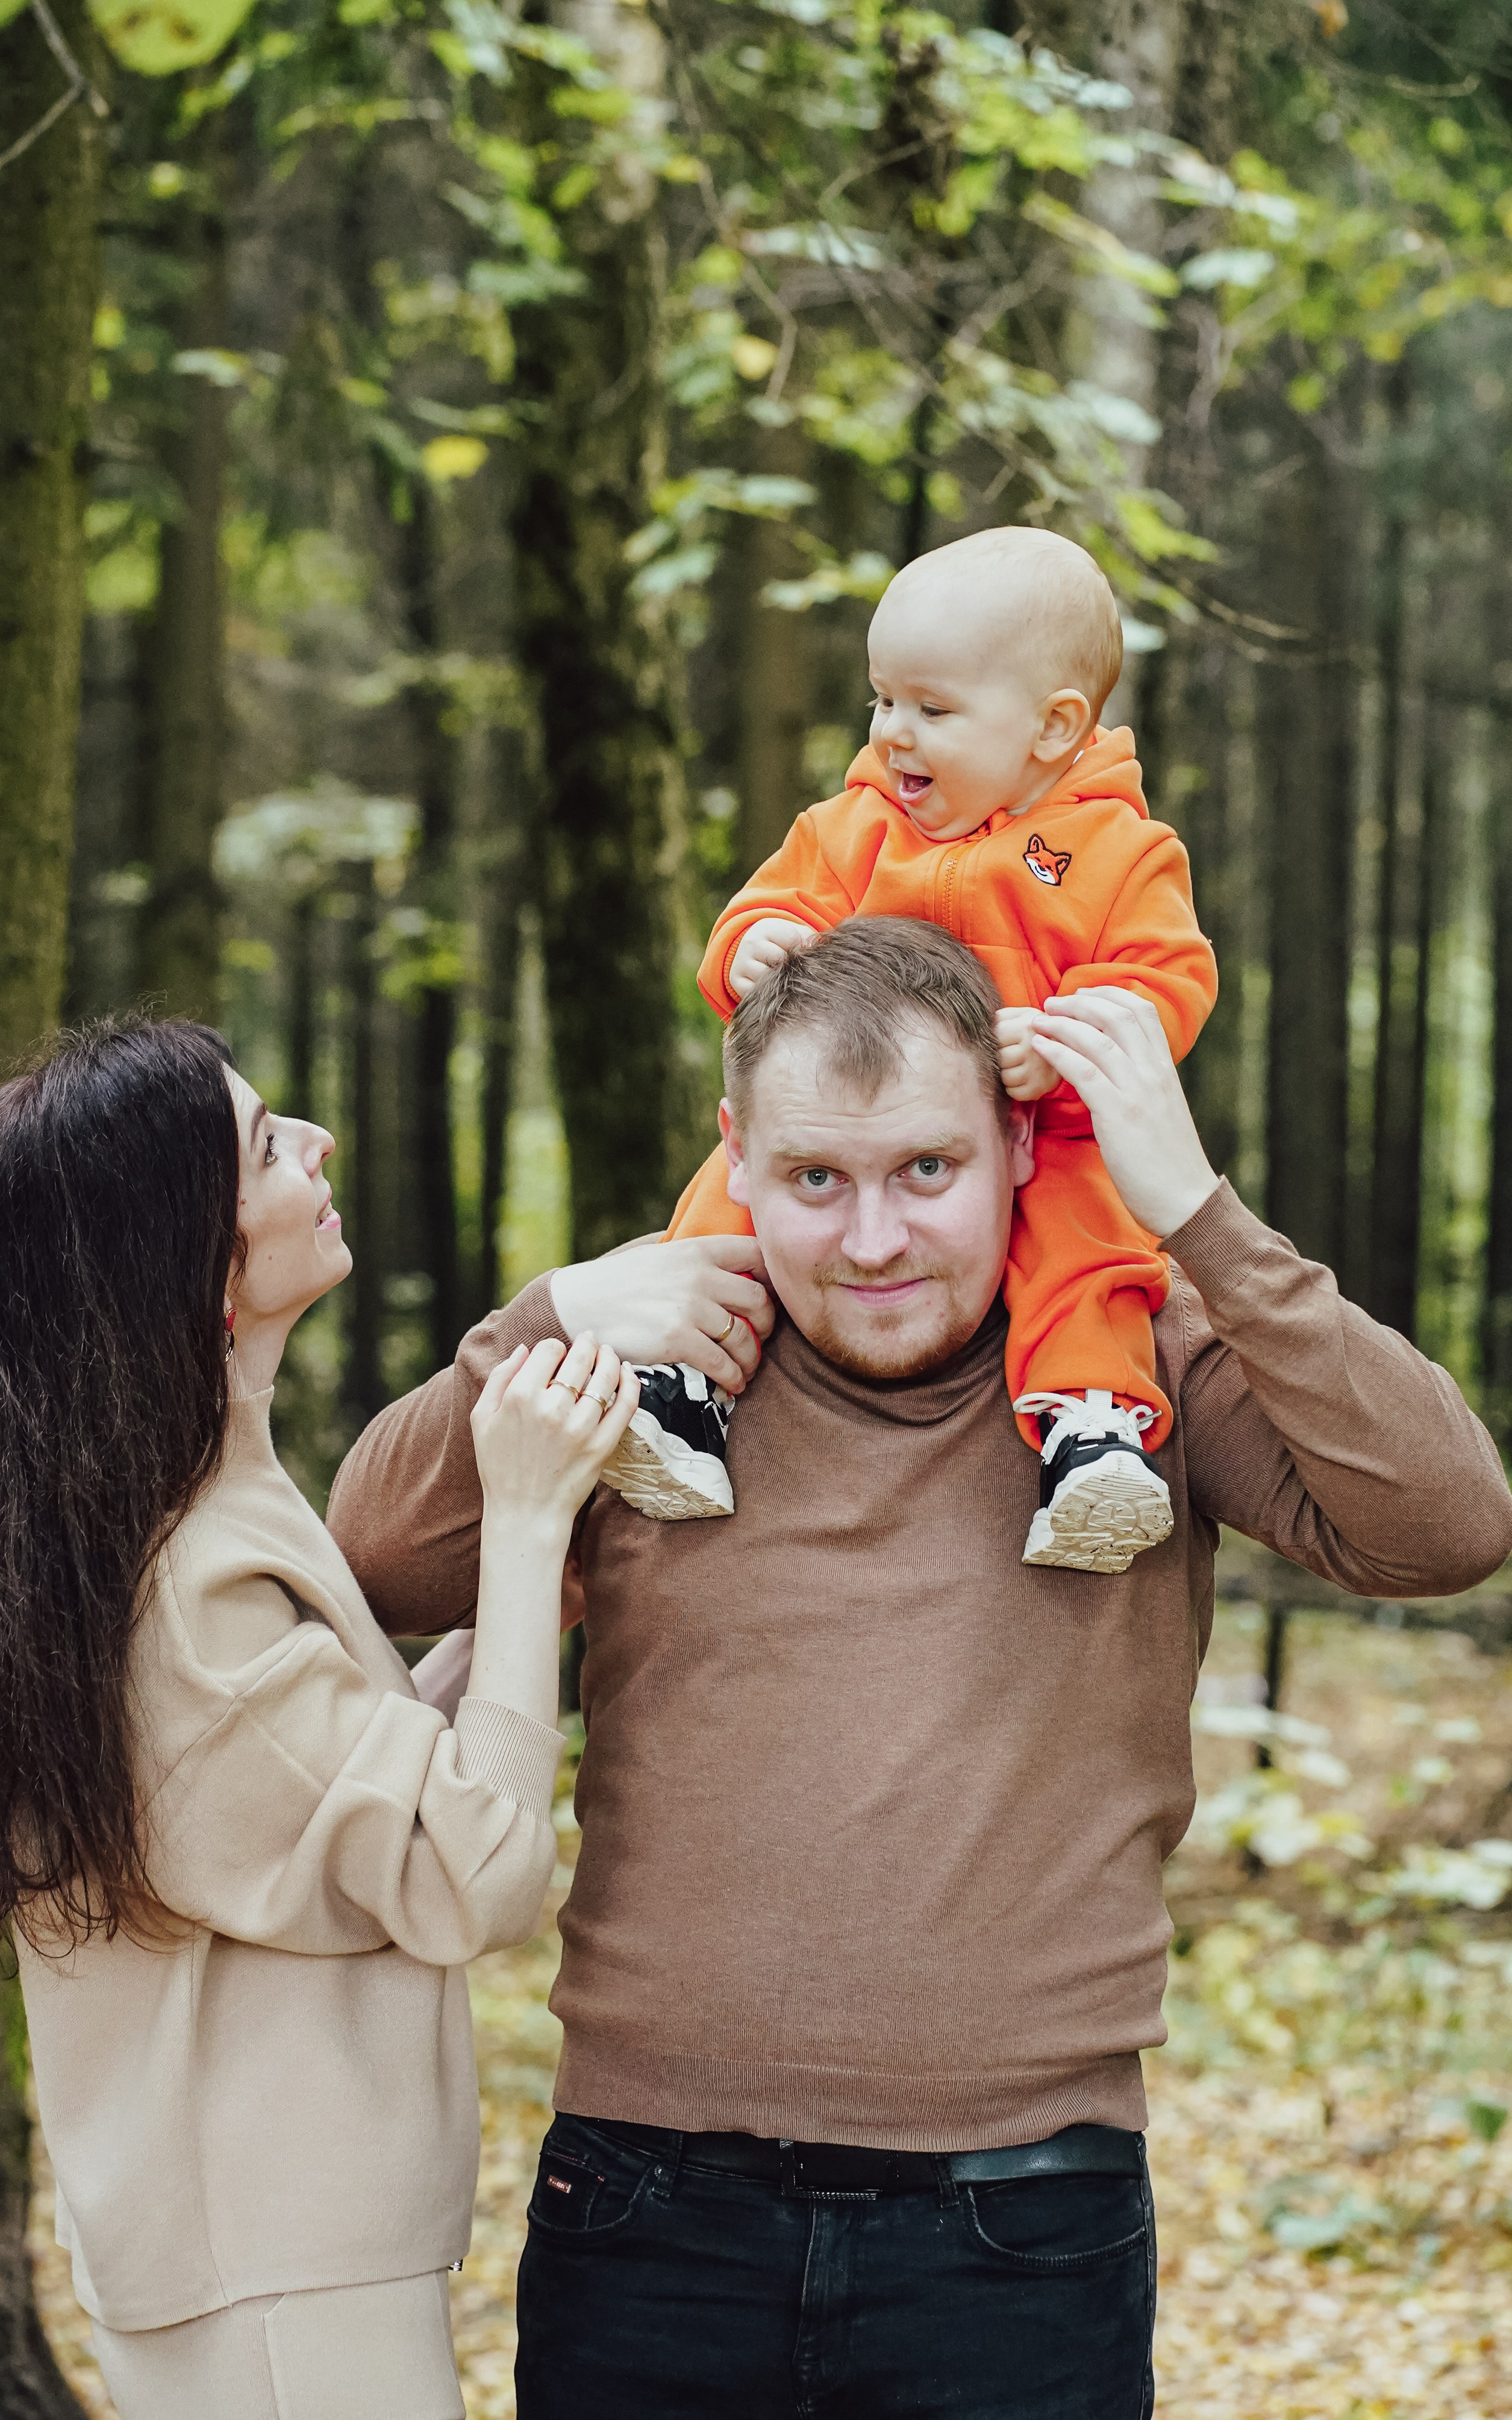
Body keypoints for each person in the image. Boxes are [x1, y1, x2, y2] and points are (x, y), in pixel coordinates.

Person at [328, 918, 1512, 2420]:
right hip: (647, 2216)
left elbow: (1448, 1525)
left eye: (925, 1172)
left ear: (1020, 1145)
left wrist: (1198, 1214)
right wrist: (557, 1313)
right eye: (816, 1179)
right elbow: (376, 1551)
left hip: (1018, 2229)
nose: (871, 1238)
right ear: (737, 1157)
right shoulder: (667, 1374)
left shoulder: (1126, 1378)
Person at [0, 1017, 767, 2420]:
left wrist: (498, 1644)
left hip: (264, 2254)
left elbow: (311, 1802)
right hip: (272, 2275)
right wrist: (522, 1522)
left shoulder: (181, 1502)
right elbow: (471, 1876)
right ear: (197, 1256)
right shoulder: (190, 1571)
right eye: (267, 1145)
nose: (317, 1146)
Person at [600, 527, 1219, 1577]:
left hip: (1048, 1132)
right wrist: (749, 948)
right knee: (737, 1192)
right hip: (860, 1120)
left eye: (932, 711)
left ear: (1051, 727)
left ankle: (1092, 1433)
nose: (893, 734)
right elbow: (767, 906)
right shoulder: (852, 828)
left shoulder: (1118, 851)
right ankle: (683, 1391)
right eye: (882, 700)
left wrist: (1068, 1042)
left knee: (1092, 1257)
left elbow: (1166, 980)